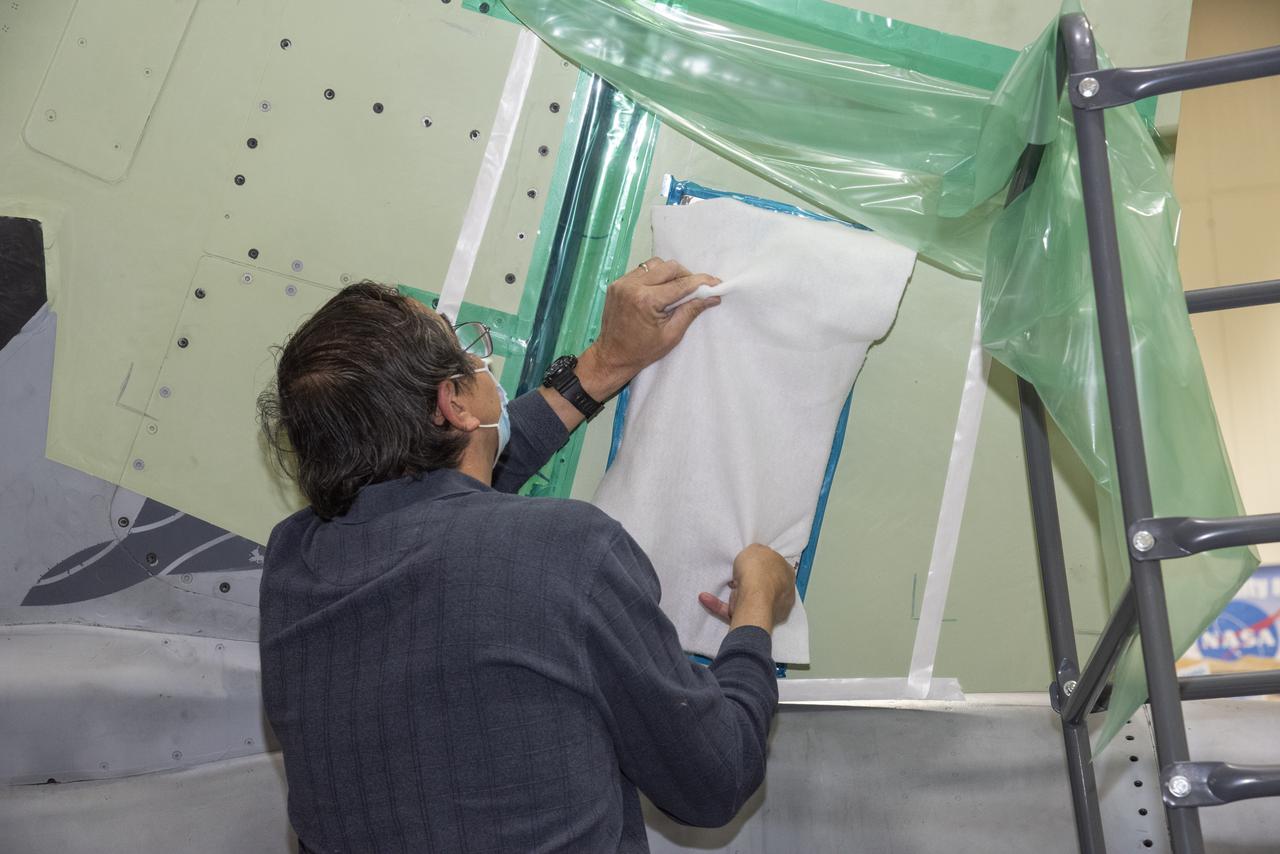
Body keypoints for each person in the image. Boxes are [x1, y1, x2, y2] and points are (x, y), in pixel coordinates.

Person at [256, 260, 797, 853]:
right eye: (466, 351)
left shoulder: (292, 562)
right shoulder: (567, 549)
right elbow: (715, 779)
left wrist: (606, 363)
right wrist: (756, 613)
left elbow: (439, 497)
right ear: (453, 403)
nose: (482, 363)